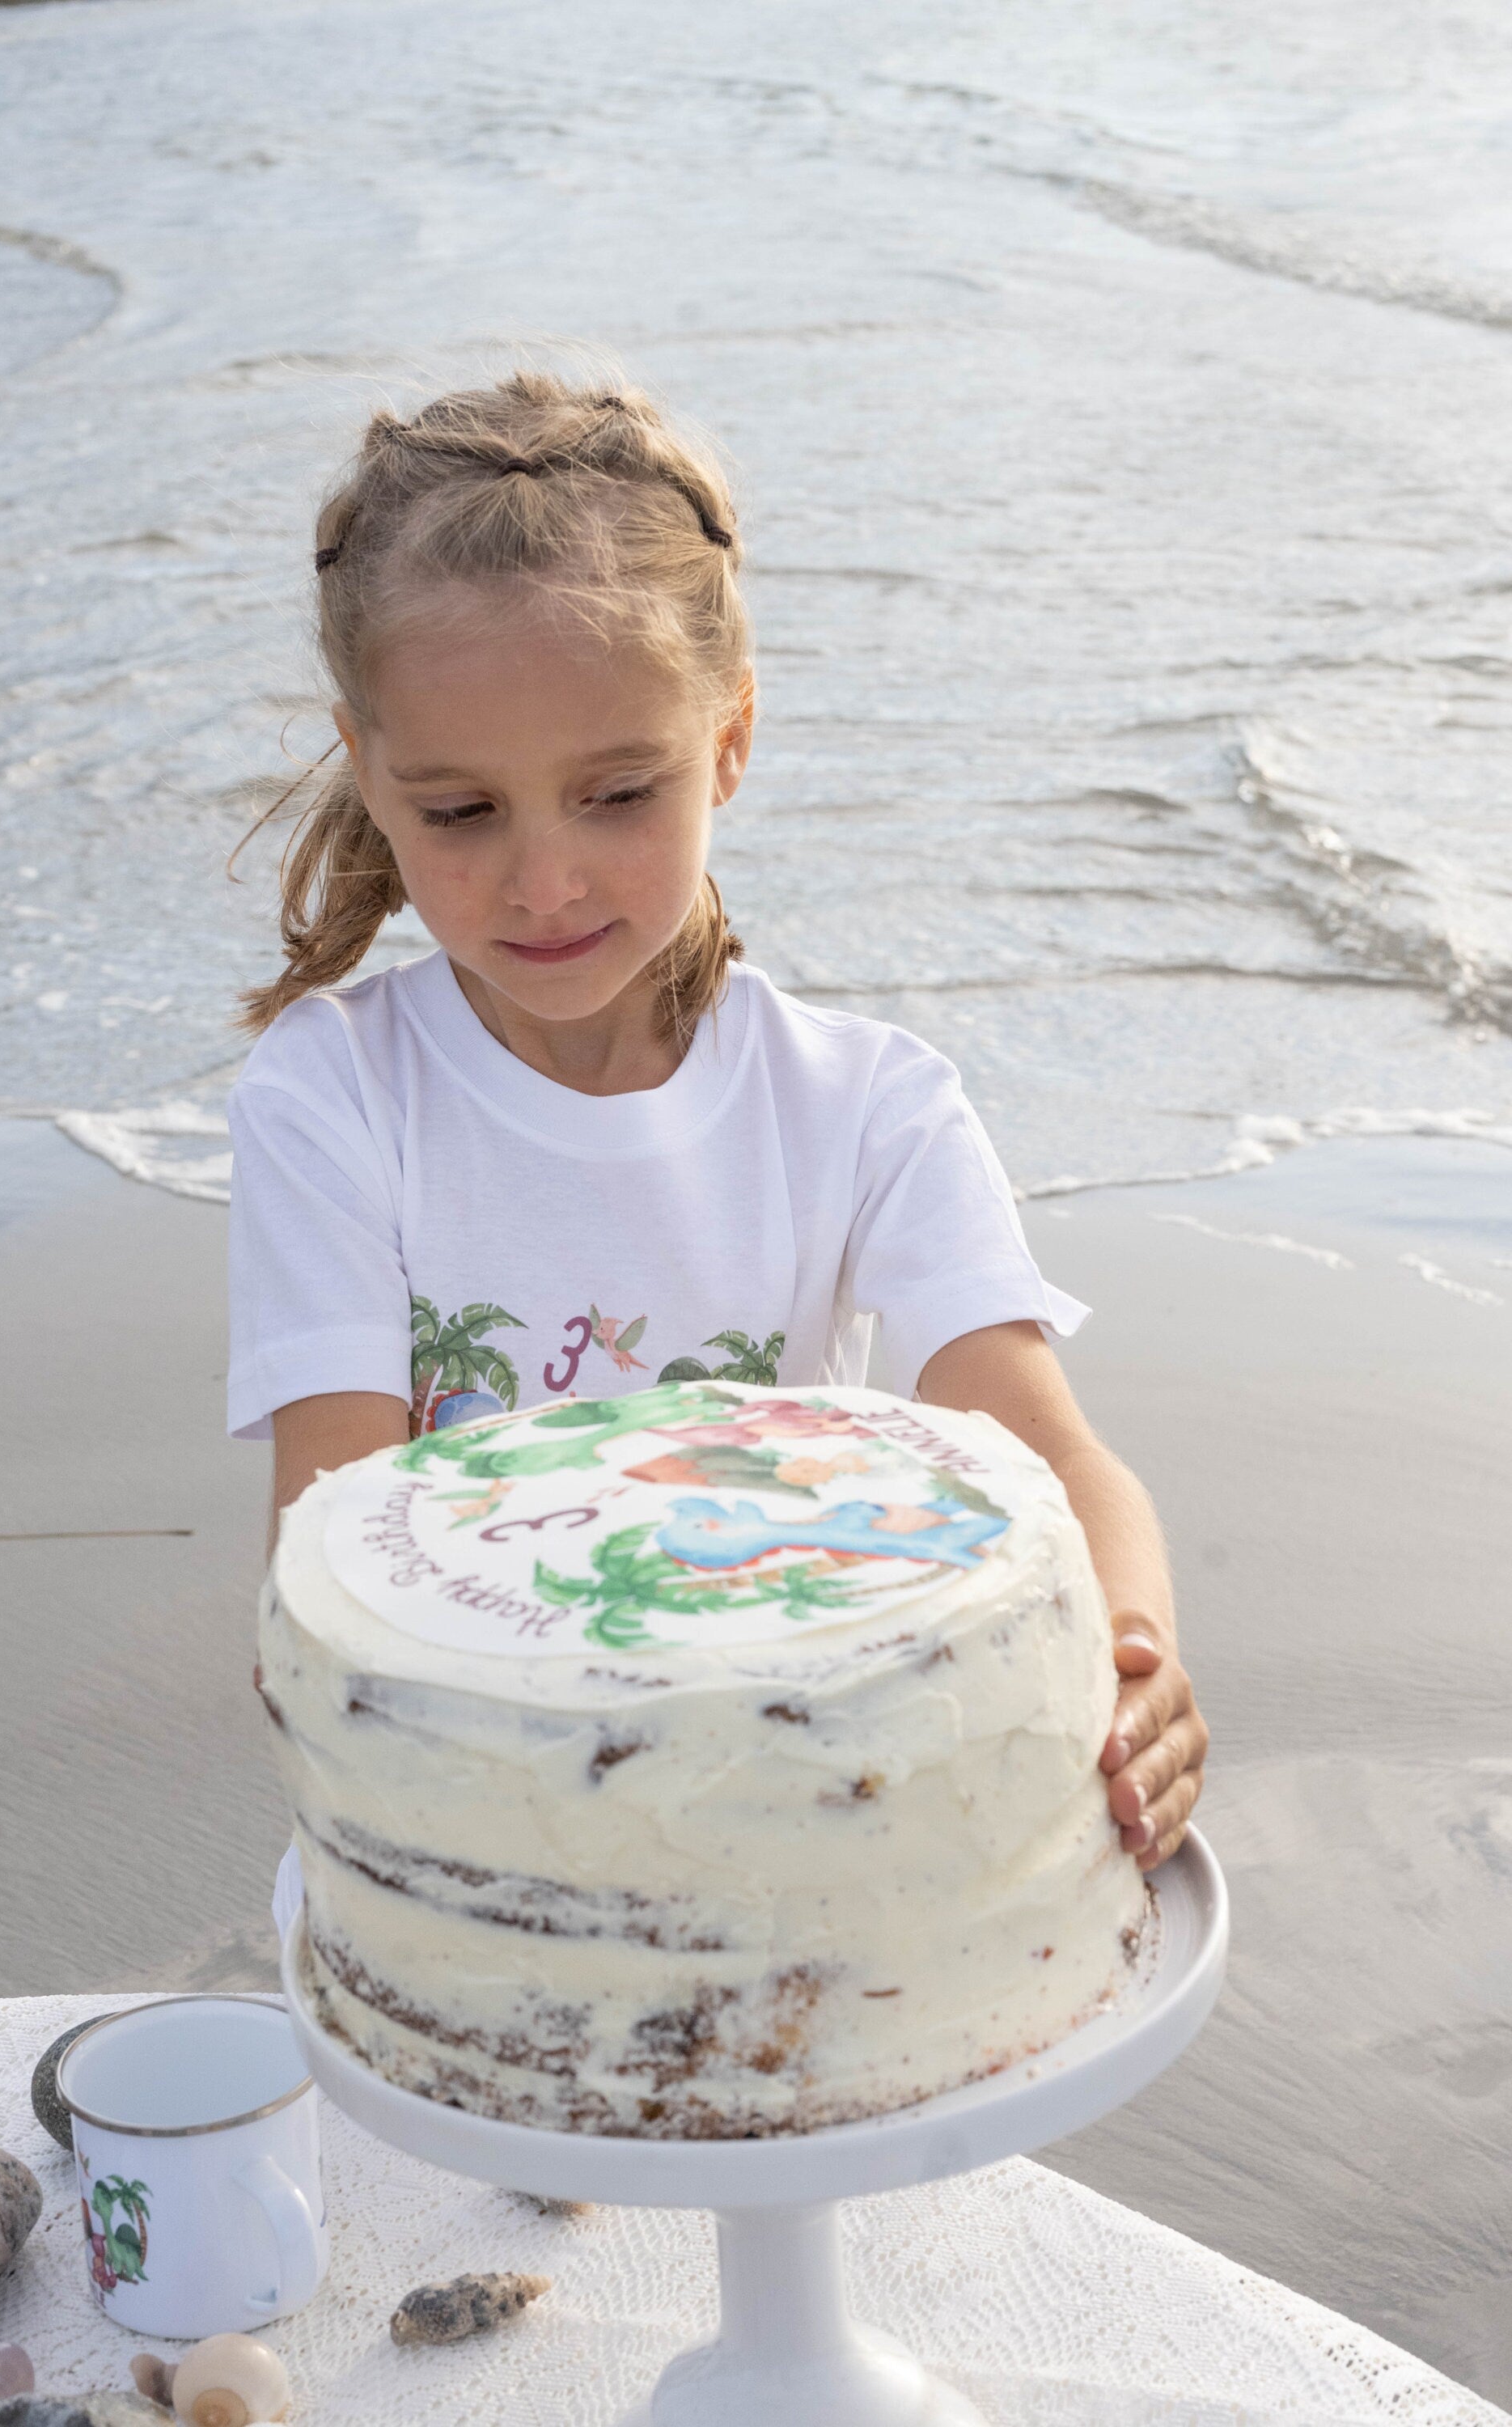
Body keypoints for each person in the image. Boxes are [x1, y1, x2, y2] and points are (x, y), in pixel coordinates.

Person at [227, 369, 1207, 1883]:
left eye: (618, 793)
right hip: (464, 1848)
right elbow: (338, 1526)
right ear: (371, 772)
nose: (544, 881)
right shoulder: (336, 1094)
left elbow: (1049, 1451)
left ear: (728, 743)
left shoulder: (868, 1106)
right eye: (461, 812)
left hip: (795, 1840)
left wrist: (1132, 1654)